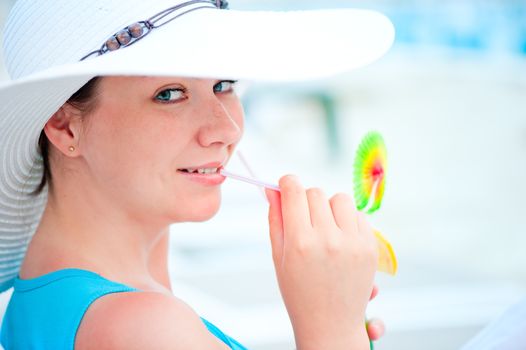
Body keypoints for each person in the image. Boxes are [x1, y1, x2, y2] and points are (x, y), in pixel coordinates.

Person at [0, 0, 394, 349]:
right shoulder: (145, 328)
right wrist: (333, 331)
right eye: (170, 93)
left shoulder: (49, 293)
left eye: (224, 85)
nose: (226, 130)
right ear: (65, 127)